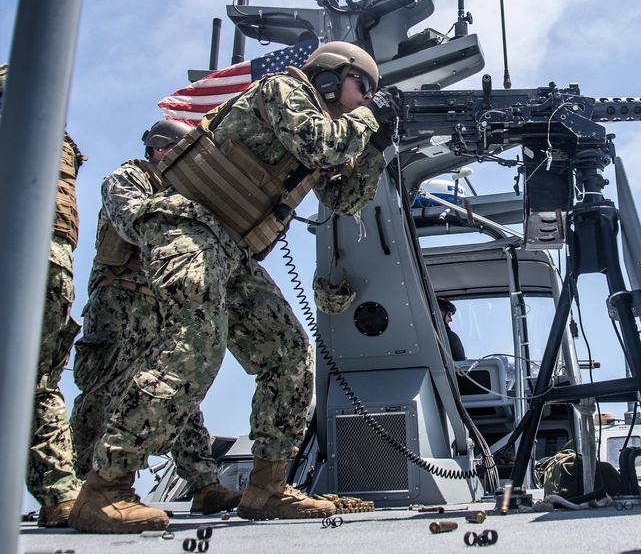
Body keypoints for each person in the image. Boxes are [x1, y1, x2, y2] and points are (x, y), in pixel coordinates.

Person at [69, 41, 399, 533]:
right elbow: (318, 144)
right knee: (195, 342)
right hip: (189, 224)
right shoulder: (284, 88)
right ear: (331, 75)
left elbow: (344, 196)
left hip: (236, 248)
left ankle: (266, 488)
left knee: (288, 352)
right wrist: (371, 120)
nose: (367, 98)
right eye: (364, 86)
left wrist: (376, 147)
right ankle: (105, 488)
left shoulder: (340, 129)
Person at [69, 119, 242, 516]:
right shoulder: (128, 178)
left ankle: (204, 485)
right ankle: (87, 486)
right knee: (103, 392)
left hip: (162, 307)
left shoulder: (181, 192)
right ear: (161, 151)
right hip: (119, 305)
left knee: (177, 391)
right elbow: (135, 222)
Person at [1, 63, 87, 528]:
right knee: (39, 386)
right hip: (56, 266)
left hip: (22, 255)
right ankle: (60, 493)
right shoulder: (61, 142)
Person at [437, 296, 467, 361]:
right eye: (449, 315)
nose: (450, 319)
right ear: (439, 311)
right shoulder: (451, 337)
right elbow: (461, 367)